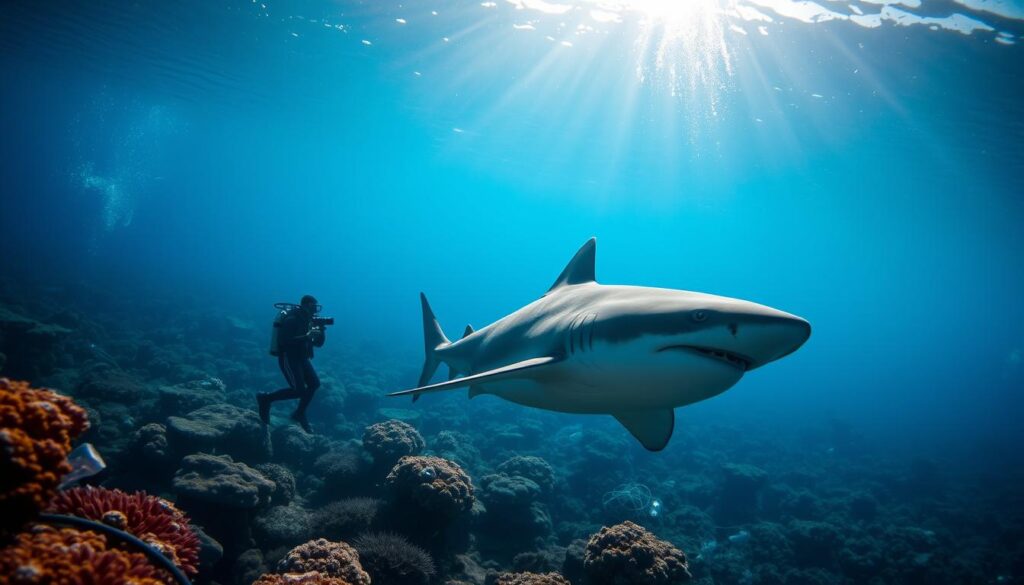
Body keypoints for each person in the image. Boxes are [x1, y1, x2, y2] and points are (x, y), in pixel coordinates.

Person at [257, 295, 326, 432]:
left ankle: (299, 413)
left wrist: (321, 331)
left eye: (317, 307)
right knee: (298, 391)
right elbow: (284, 341)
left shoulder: (310, 320)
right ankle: (265, 398)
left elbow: (318, 344)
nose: (315, 310)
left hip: (302, 357)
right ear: (305, 305)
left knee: (314, 384)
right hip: (289, 357)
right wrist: (306, 337)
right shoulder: (292, 318)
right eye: (313, 307)